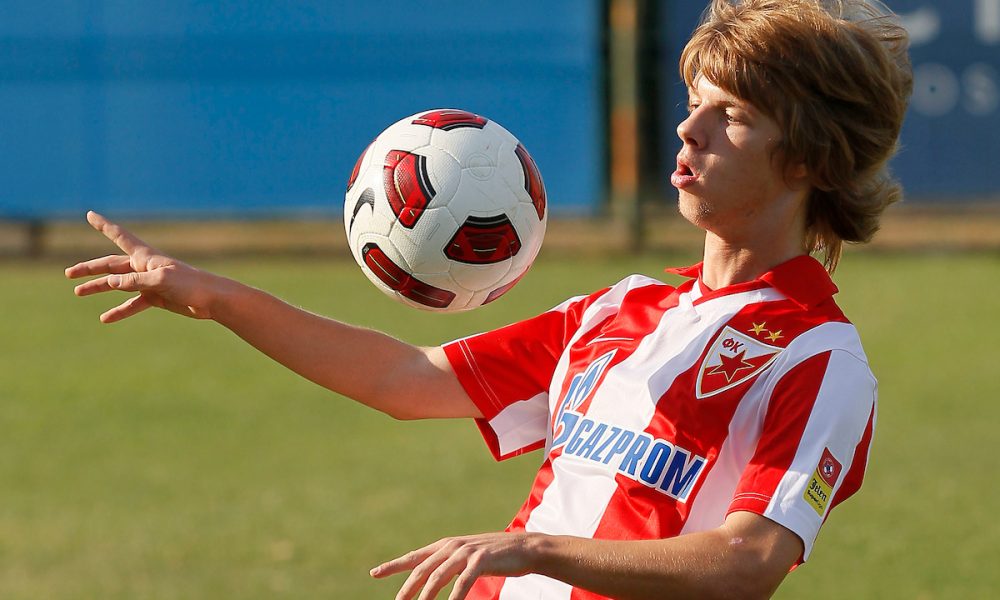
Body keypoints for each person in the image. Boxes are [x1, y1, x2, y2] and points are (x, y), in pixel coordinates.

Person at [66, 0, 912, 597]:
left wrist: (535, 548)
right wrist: (213, 296)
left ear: (808, 158)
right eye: (693, 105)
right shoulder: (621, 310)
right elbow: (405, 379)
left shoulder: (819, 357)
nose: (688, 131)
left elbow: (748, 561)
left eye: (731, 116)